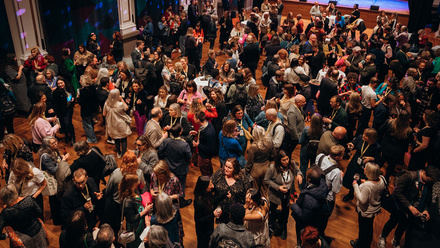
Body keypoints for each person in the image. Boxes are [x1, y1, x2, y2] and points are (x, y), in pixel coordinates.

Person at [378, 166, 440, 248]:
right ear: (424, 173)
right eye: (428, 180)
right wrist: (409, 206)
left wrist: (426, 210)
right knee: (392, 222)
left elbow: (428, 198)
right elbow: (397, 192)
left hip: (412, 211)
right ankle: (383, 236)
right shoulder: (408, 176)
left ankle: (396, 240)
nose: (429, 182)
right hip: (399, 207)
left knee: (403, 226)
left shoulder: (429, 182)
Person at [102, 150, 145, 232]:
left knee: (117, 223)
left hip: (117, 203)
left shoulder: (116, 173)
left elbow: (108, 190)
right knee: (131, 221)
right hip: (133, 202)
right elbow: (142, 186)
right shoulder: (139, 173)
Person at [264, 150, 303, 239]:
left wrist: (299, 174)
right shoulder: (272, 167)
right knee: (272, 210)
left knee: (285, 210)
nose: (286, 162)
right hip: (275, 193)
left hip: (288, 193)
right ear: (279, 160)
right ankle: (271, 227)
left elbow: (298, 171)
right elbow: (266, 180)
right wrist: (278, 187)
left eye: (287, 159)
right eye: (283, 160)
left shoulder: (292, 164)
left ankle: (283, 227)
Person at [350, 163, 386, 248]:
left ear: (369, 172)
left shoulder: (367, 186)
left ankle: (360, 245)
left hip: (365, 211)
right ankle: (365, 243)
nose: (364, 169)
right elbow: (375, 189)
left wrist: (355, 186)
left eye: (366, 168)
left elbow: (362, 200)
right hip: (374, 210)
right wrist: (366, 182)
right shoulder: (382, 179)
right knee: (369, 229)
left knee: (363, 230)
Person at [290, 166, 329, 246]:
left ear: (309, 179)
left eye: (307, 175)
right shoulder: (322, 183)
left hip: (305, 225)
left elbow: (304, 216)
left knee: (303, 239)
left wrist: (293, 205)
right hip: (315, 219)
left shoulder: (309, 199)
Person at [158, 124, 193, 208]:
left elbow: (159, 153)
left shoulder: (166, 141)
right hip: (181, 168)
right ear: (180, 132)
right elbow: (189, 157)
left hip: (169, 167)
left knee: (169, 184)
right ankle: (181, 201)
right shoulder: (184, 145)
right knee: (181, 186)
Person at [343, 128, 382, 202]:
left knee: (360, 181)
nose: (363, 136)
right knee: (352, 178)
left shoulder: (377, 147)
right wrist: (352, 144)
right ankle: (350, 194)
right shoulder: (360, 137)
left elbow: (378, 159)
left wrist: (372, 158)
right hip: (355, 162)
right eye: (364, 134)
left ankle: (361, 196)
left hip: (365, 167)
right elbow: (355, 142)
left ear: (371, 138)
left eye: (365, 136)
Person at [315, 145, 345, 238]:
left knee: (315, 216)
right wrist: (341, 177)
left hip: (315, 190)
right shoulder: (336, 172)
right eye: (342, 155)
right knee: (322, 221)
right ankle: (319, 237)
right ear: (338, 157)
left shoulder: (320, 156)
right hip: (326, 199)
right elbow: (336, 189)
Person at [211, 157, 251, 224]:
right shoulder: (219, 174)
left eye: (229, 168)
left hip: (235, 213)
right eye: (225, 166)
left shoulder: (242, 178)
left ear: (235, 169)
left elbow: (247, 192)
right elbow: (210, 187)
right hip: (221, 211)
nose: (226, 169)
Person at [38, 136, 69, 225]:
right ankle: (57, 220)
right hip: (53, 180)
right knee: (54, 200)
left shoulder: (54, 150)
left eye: (56, 142)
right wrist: (63, 161)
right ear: (47, 146)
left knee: (58, 199)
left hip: (57, 179)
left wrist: (61, 159)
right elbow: (54, 170)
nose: (56, 144)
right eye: (53, 143)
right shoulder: (45, 156)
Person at [119, 174, 152, 248]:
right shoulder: (127, 201)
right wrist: (145, 210)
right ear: (131, 184)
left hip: (140, 224)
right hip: (135, 228)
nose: (138, 182)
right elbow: (132, 219)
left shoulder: (133, 191)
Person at [380, 111, 413, 180]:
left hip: (386, 146)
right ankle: (386, 179)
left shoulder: (389, 123)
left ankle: (374, 173)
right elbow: (409, 142)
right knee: (391, 166)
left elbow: (381, 130)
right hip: (397, 151)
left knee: (381, 160)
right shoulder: (409, 130)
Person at [246, 126, 274, 198]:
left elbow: (250, 162)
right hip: (267, 168)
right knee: (265, 191)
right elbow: (274, 154)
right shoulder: (270, 142)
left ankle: (258, 208)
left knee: (255, 192)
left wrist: (246, 172)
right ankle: (266, 207)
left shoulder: (253, 147)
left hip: (256, 170)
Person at [103, 89, 132, 158]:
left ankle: (119, 152)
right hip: (121, 124)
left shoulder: (106, 103)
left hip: (112, 124)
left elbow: (104, 114)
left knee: (116, 139)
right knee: (124, 138)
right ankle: (124, 153)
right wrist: (122, 100)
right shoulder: (120, 104)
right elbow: (126, 108)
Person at [299, 114, 324, 189]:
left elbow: (300, 141)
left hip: (305, 151)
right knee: (314, 169)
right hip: (316, 152)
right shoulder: (324, 131)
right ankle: (312, 186)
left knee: (303, 168)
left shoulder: (306, 129)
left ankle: (301, 186)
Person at [193, 176, 218, 248]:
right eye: (210, 185)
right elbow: (198, 220)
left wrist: (224, 195)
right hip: (203, 230)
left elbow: (213, 201)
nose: (212, 186)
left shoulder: (207, 194)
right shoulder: (199, 202)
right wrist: (213, 215)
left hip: (209, 226)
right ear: (204, 187)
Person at [52, 77, 76, 145]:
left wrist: (73, 98)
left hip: (69, 108)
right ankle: (67, 136)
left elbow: (73, 93)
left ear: (64, 82)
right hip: (61, 110)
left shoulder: (69, 87)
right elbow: (55, 104)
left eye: (61, 83)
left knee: (68, 123)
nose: (60, 85)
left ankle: (72, 137)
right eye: (58, 83)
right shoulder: (56, 92)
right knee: (63, 124)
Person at [192, 111, 217, 176]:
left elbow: (210, 148)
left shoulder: (208, 132)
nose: (193, 119)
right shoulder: (207, 123)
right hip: (204, 155)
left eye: (194, 118)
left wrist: (197, 145)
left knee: (206, 174)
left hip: (205, 156)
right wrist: (197, 134)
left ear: (198, 120)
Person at [78, 75, 99, 143]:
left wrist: (78, 97)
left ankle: (92, 139)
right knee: (91, 123)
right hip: (93, 109)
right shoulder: (93, 87)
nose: (79, 81)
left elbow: (81, 102)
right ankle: (92, 136)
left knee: (87, 124)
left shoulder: (83, 91)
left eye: (80, 80)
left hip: (86, 110)